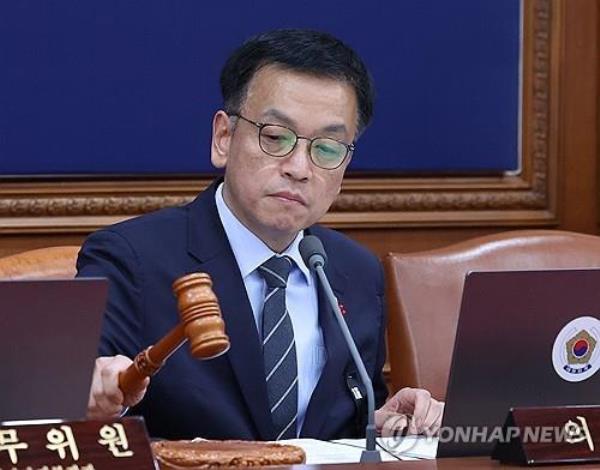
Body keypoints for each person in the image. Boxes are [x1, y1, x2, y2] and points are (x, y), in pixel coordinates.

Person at [78, 28, 444, 441]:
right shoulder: (133, 260)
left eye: (327, 148)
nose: (299, 167)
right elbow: (85, 402)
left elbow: (342, 423)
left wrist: (381, 421)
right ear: (223, 138)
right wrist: (97, 392)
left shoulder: (354, 272)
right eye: (275, 137)